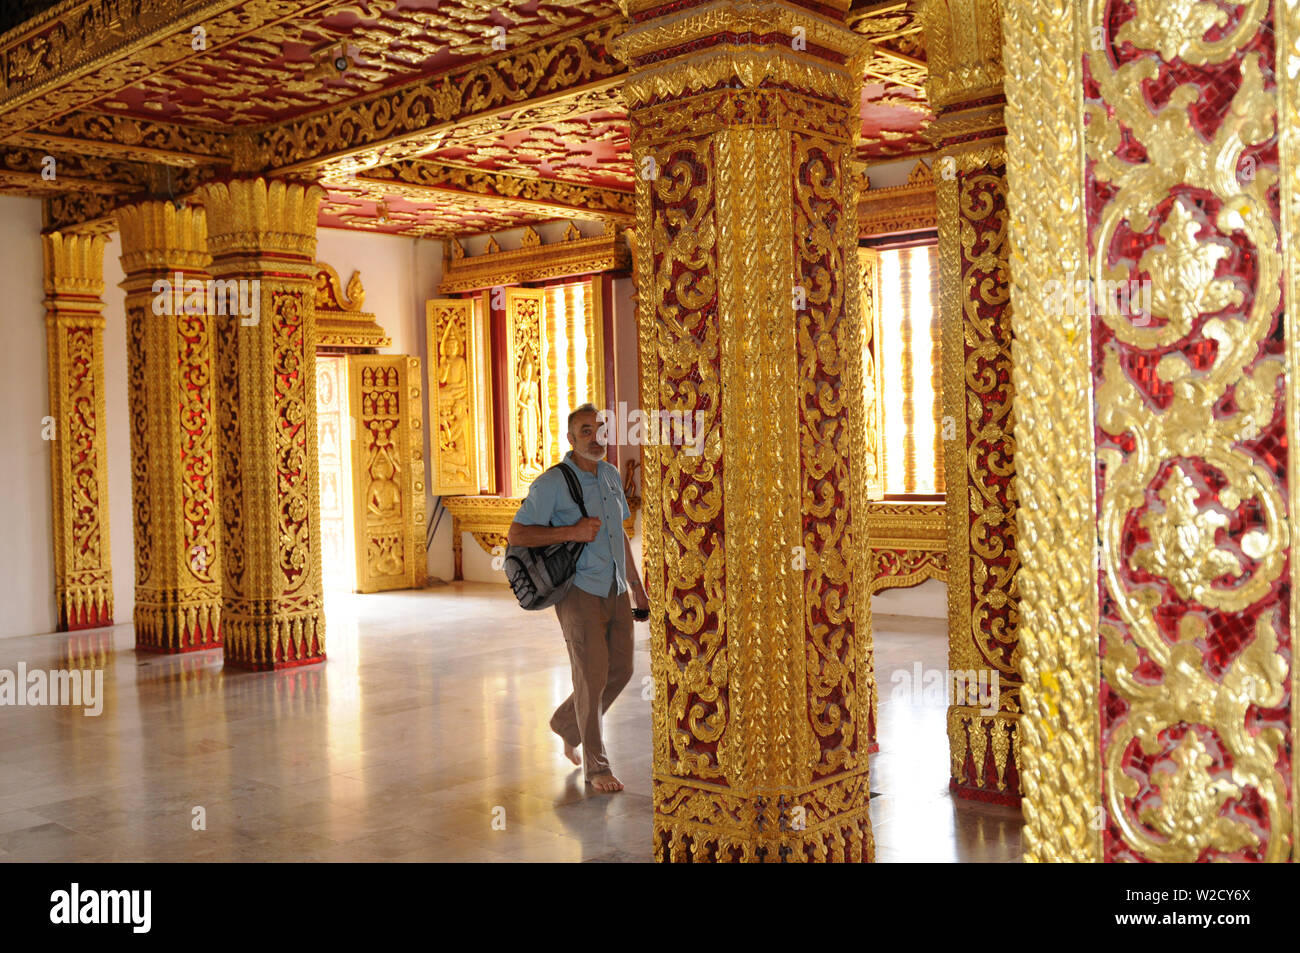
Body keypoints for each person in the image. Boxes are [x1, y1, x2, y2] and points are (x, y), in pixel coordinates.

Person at [507, 402, 649, 792]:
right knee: (591, 675)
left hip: (616, 587)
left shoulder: (610, 475)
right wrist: (570, 532)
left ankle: (567, 724)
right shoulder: (552, 482)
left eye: (600, 429)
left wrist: (636, 586)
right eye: (585, 431)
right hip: (578, 590)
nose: (595, 437)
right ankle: (597, 766)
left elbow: (618, 533)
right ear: (571, 439)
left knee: (621, 669)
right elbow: (517, 535)